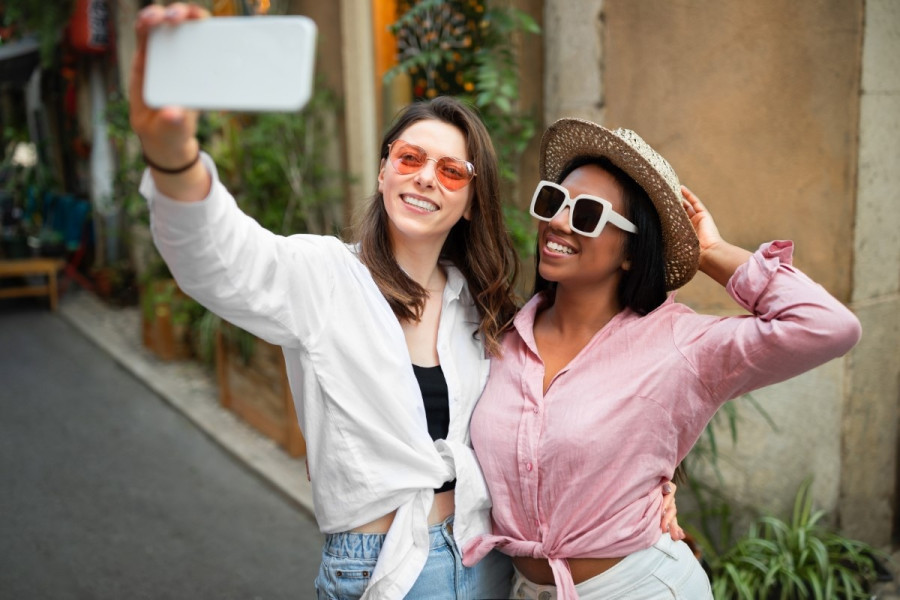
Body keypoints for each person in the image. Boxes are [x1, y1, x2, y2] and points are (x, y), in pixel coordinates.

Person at [129, 6, 682, 598]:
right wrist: (173, 156)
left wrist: (649, 488)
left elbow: (554, 419)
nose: (425, 178)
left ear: (471, 200)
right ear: (384, 171)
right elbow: (218, 256)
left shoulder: (485, 306)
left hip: (486, 557)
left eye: (450, 170)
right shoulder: (325, 277)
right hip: (384, 566)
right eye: (410, 159)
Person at [463, 119, 862, 599]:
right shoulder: (497, 336)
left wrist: (711, 252)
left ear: (631, 251)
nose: (559, 222)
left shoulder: (679, 344)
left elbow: (828, 325)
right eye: (554, 201)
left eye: (587, 213)